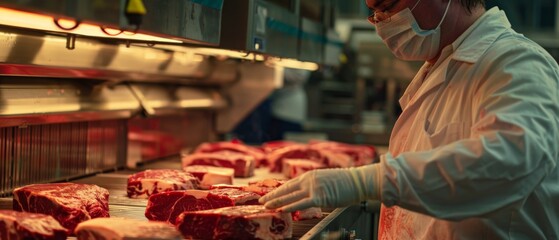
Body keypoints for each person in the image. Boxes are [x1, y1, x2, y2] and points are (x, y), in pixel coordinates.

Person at [259, 0, 559, 239]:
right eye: (374, 13)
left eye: (387, 7)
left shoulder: (518, 62)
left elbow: (511, 162)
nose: (380, 24)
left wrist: (367, 181)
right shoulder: (442, 64)